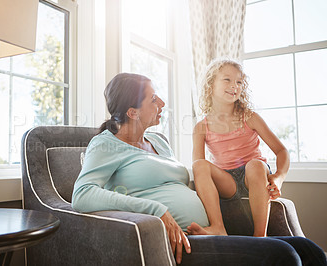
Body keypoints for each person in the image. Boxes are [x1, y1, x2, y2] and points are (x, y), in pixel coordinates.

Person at [72, 73, 326, 265]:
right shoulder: (106, 144)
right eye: (153, 99)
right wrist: (154, 209)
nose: (162, 102)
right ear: (132, 112)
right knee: (285, 256)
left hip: (212, 231)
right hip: (183, 240)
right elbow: (82, 195)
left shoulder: (158, 141)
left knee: (308, 250)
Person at [189, 58, 288, 237]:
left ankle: (260, 236)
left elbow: (281, 151)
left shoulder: (250, 117)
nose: (234, 85)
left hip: (255, 176)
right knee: (199, 165)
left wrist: (278, 178)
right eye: (227, 79)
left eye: (239, 82)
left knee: (255, 165)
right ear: (210, 85)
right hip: (227, 181)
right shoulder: (201, 128)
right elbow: (200, 170)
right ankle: (218, 226)